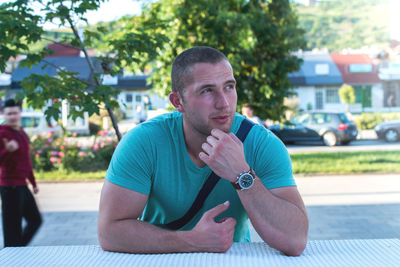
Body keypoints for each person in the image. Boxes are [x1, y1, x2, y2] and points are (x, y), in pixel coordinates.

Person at [98, 47, 308, 256]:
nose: (224, 103)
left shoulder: (262, 144)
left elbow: (294, 240)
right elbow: (110, 231)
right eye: (207, 90)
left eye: (229, 87)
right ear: (177, 101)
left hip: (233, 259)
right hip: (158, 259)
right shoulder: (144, 142)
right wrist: (192, 241)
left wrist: (243, 175)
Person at [0, 99, 42, 247]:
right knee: (12, 231)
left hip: (22, 186)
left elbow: (26, 160)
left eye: (15, 113)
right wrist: (7, 151)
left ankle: (17, 251)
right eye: (9, 113)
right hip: (9, 187)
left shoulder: (21, 132)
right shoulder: (2, 133)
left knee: (35, 220)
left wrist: (33, 182)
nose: (12, 116)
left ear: (20, 113)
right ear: (4, 114)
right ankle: (12, 255)